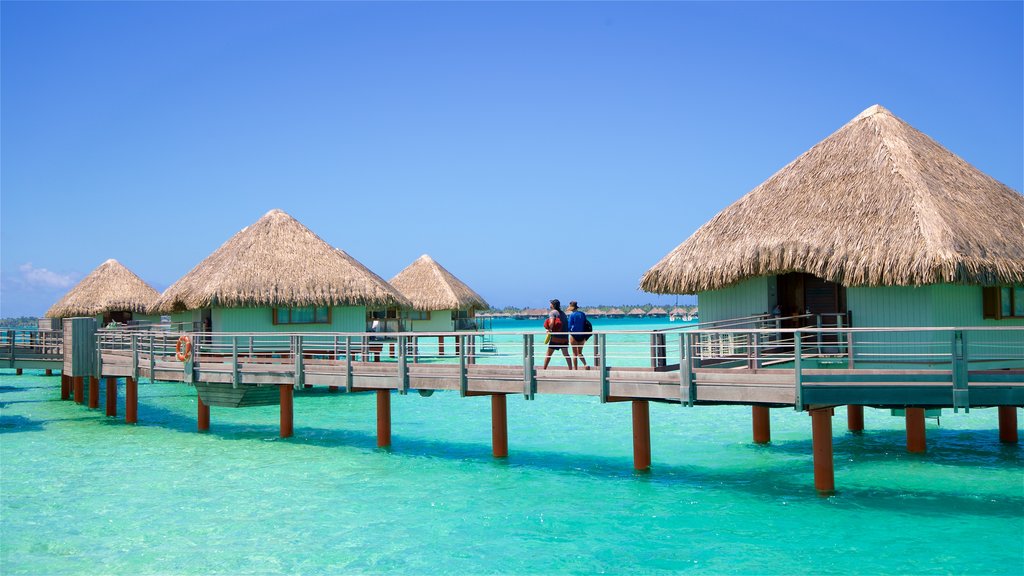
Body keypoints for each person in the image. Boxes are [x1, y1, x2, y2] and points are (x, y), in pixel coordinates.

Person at [542, 299, 572, 369]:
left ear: (553, 305)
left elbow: (552, 323)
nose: (550, 305)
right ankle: (570, 369)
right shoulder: (563, 313)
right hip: (564, 337)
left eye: (551, 304)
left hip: (556, 337)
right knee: (566, 354)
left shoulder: (552, 312)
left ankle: (544, 369)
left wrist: (549, 329)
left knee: (548, 354)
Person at [566, 301, 590, 370]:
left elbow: (569, 326)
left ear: (571, 308)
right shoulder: (582, 314)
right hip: (582, 336)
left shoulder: (572, 315)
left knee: (574, 354)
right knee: (580, 353)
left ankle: (576, 369)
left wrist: (569, 331)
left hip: (574, 336)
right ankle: (585, 364)